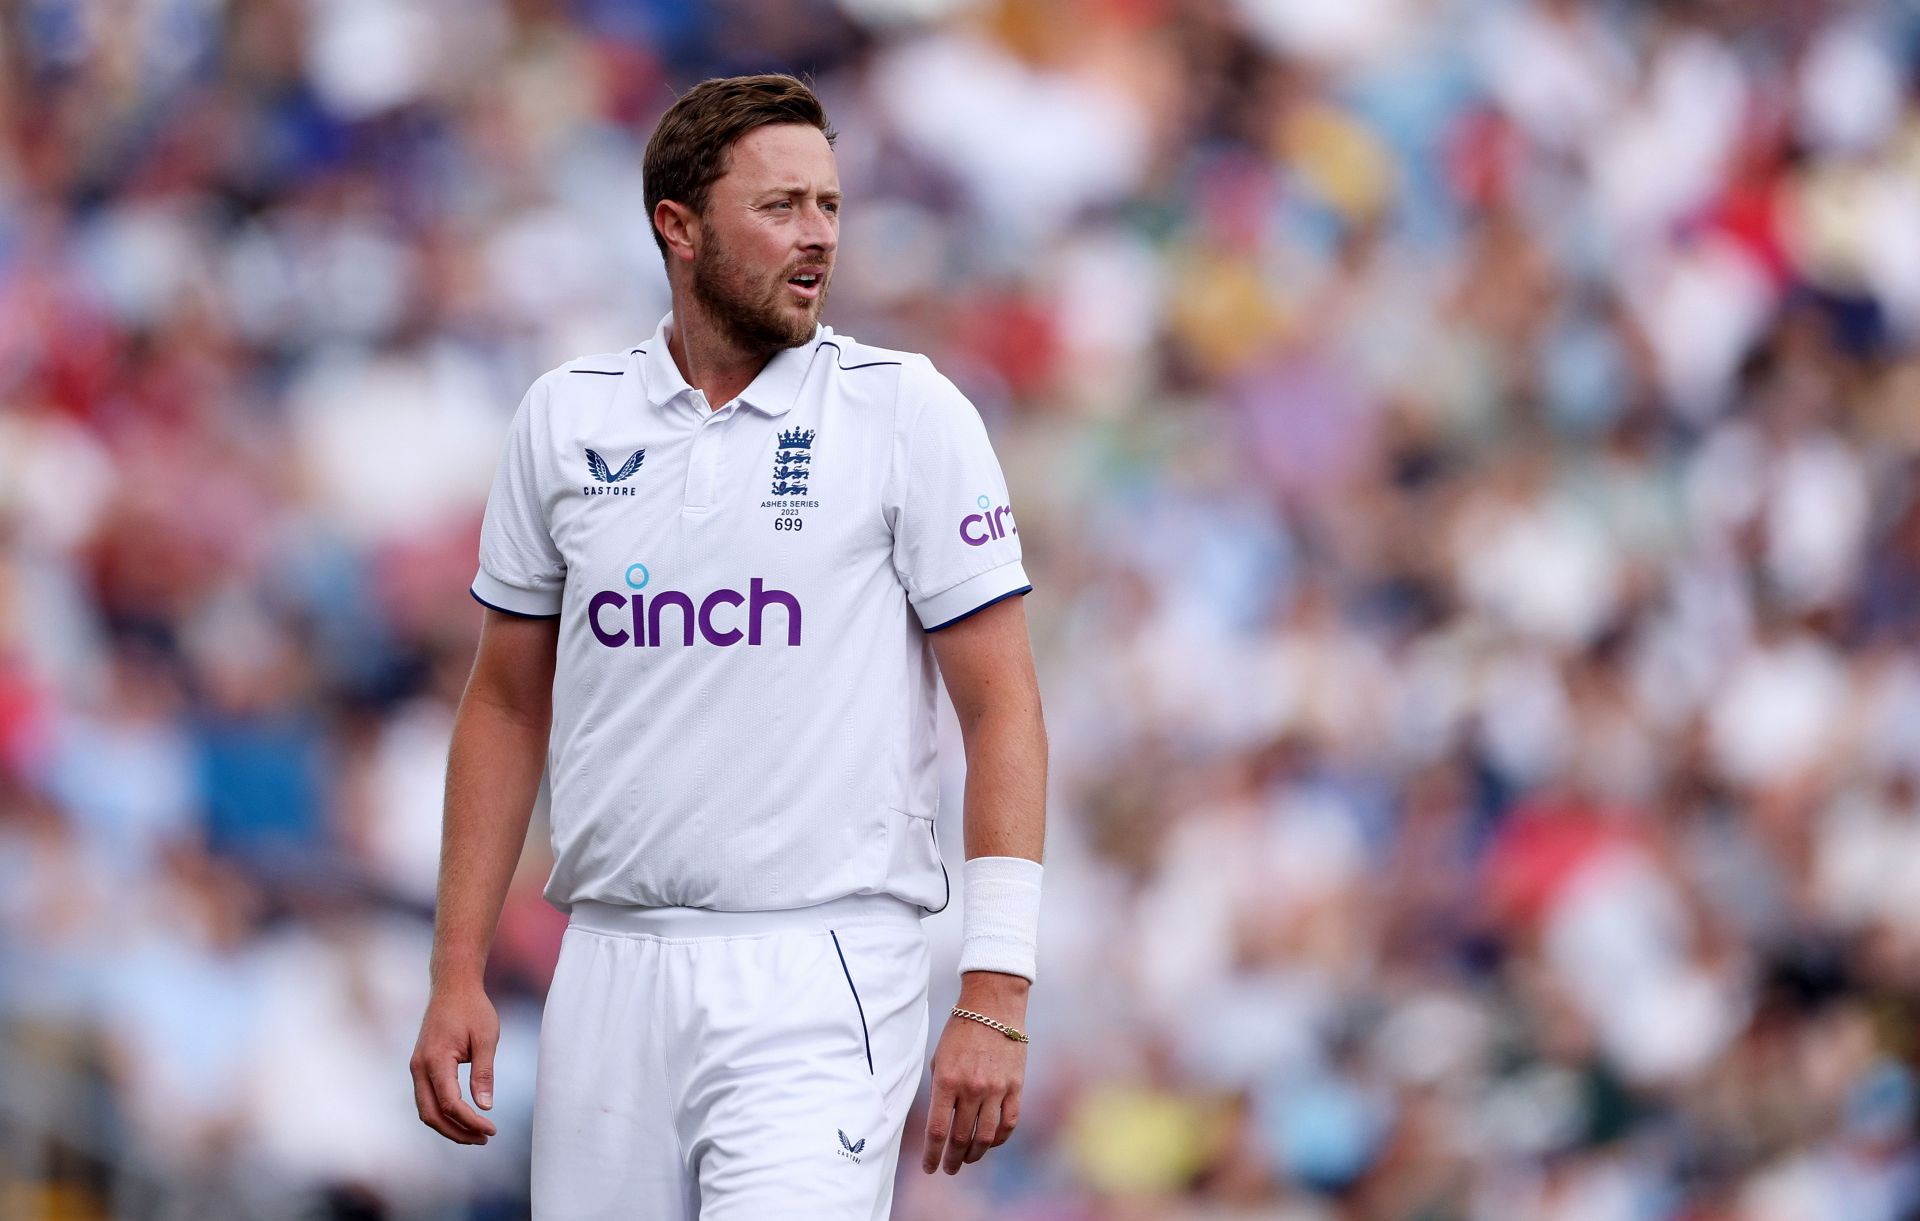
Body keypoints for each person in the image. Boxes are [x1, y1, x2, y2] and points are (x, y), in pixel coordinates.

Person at [407, 73, 1047, 1220]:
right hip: (606, 963)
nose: (819, 238)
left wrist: (995, 986)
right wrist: (456, 968)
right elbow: (504, 704)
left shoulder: (907, 414)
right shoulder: (566, 418)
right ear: (679, 228)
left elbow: (1002, 708)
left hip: (822, 969)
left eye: (832, 207)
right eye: (783, 207)